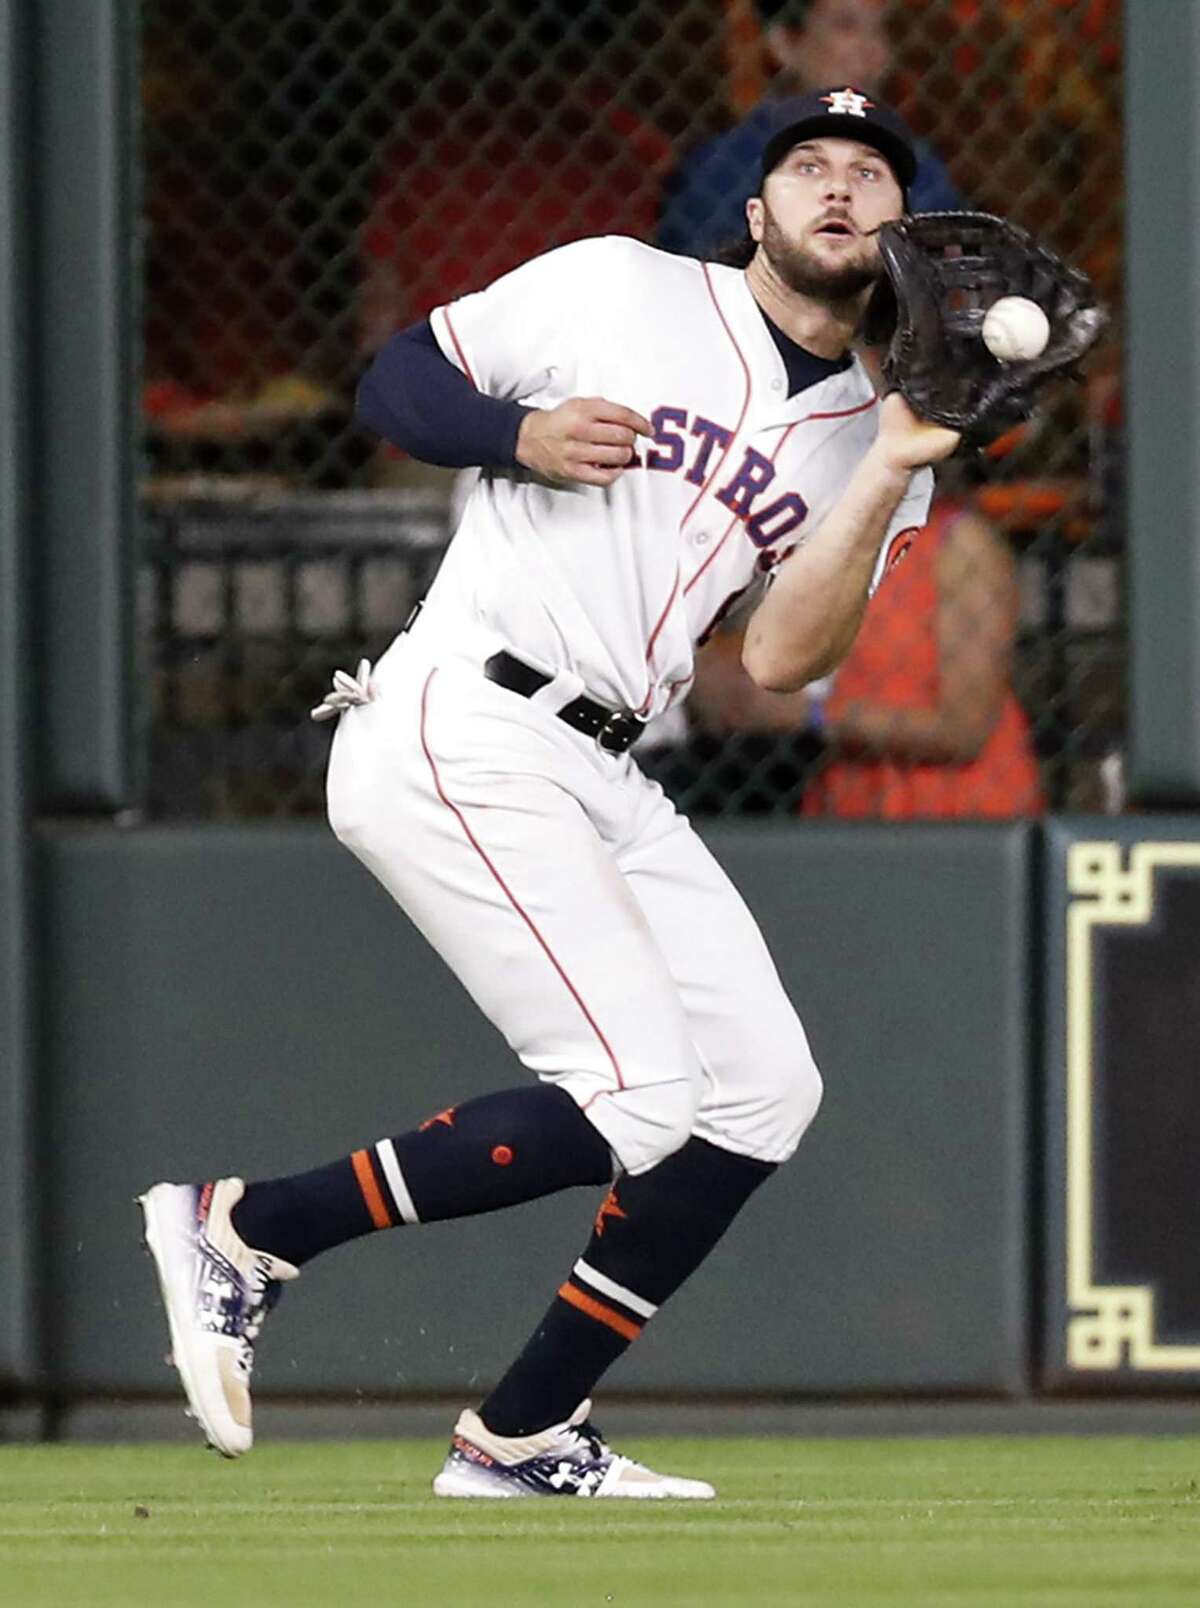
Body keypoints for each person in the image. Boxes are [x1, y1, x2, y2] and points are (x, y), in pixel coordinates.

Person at [141, 86, 958, 1499]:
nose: (838, 186)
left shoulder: (885, 442)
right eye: (806, 166)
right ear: (754, 212)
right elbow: (395, 379)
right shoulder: (621, 286)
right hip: (470, 711)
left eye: (870, 174)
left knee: (762, 1091)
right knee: (638, 1093)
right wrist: (509, 436)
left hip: (606, 760)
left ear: (909, 229)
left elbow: (778, 655)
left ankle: (520, 1432)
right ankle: (249, 1228)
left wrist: (888, 463)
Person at [690, 494, 1044, 818]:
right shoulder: (820, 544)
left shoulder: (958, 542)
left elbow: (964, 730)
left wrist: (814, 716)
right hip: (850, 802)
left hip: (957, 809)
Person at [659, 0, 961, 261]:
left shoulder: (915, 164)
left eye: (880, 31)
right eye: (847, 26)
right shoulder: (721, 168)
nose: (873, 51)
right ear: (785, 43)